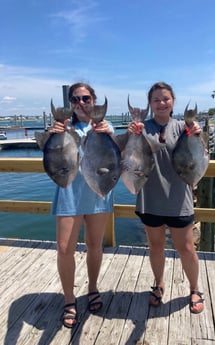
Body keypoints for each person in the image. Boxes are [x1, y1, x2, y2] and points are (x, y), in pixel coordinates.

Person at [128, 81, 204, 314]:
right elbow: (126, 156)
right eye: (156, 100)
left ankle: (195, 288)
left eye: (165, 99)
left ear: (173, 102)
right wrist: (130, 135)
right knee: (156, 245)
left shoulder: (184, 127)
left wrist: (199, 135)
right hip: (149, 197)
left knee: (187, 248)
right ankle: (159, 284)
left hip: (179, 198)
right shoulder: (141, 128)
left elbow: (200, 156)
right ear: (150, 104)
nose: (161, 103)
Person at [50, 82, 114, 328]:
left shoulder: (103, 127)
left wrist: (110, 135)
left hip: (98, 190)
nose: (81, 103)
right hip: (69, 191)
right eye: (75, 100)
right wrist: (53, 134)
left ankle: (93, 288)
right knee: (65, 247)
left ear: (94, 100)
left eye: (85, 98)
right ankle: (69, 299)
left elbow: (119, 155)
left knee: (94, 244)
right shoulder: (62, 127)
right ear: (70, 103)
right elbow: (49, 154)